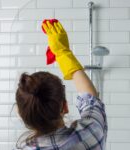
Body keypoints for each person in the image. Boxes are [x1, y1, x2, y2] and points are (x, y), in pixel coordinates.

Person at [15, 20, 108, 150]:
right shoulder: (91, 134)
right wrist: (64, 54)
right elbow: (91, 100)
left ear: (20, 113)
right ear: (64, 107)